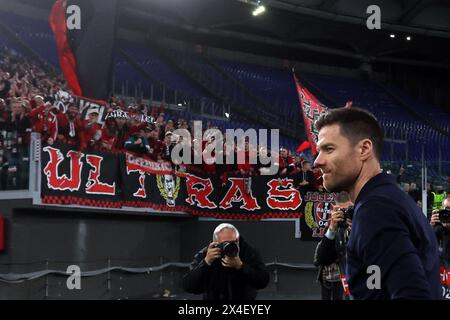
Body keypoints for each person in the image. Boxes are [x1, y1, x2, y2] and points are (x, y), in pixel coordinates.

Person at [313, 106, 440, 299]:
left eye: (328, 149)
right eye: (318, 151)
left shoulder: (376, 209)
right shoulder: (387, 199)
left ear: (364, 149)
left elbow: (412, 294)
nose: (317, 161)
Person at [182, 223, 269, 300]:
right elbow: (189, 286)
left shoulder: (248, 251)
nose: (230, 246)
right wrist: (206, 262)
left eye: (233, 242)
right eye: (225, 243)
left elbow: (263, 281)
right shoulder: (207, 253)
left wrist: (241, 266)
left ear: (238, 240)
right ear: (215, 243)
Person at [314, 191, 353, 300]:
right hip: (338, 281)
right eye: (342, 210)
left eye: (349, 210)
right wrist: (331, 229)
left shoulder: (363, 225)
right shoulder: (334, 229)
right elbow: (322, 260)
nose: (346, 214)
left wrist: (357, 232)